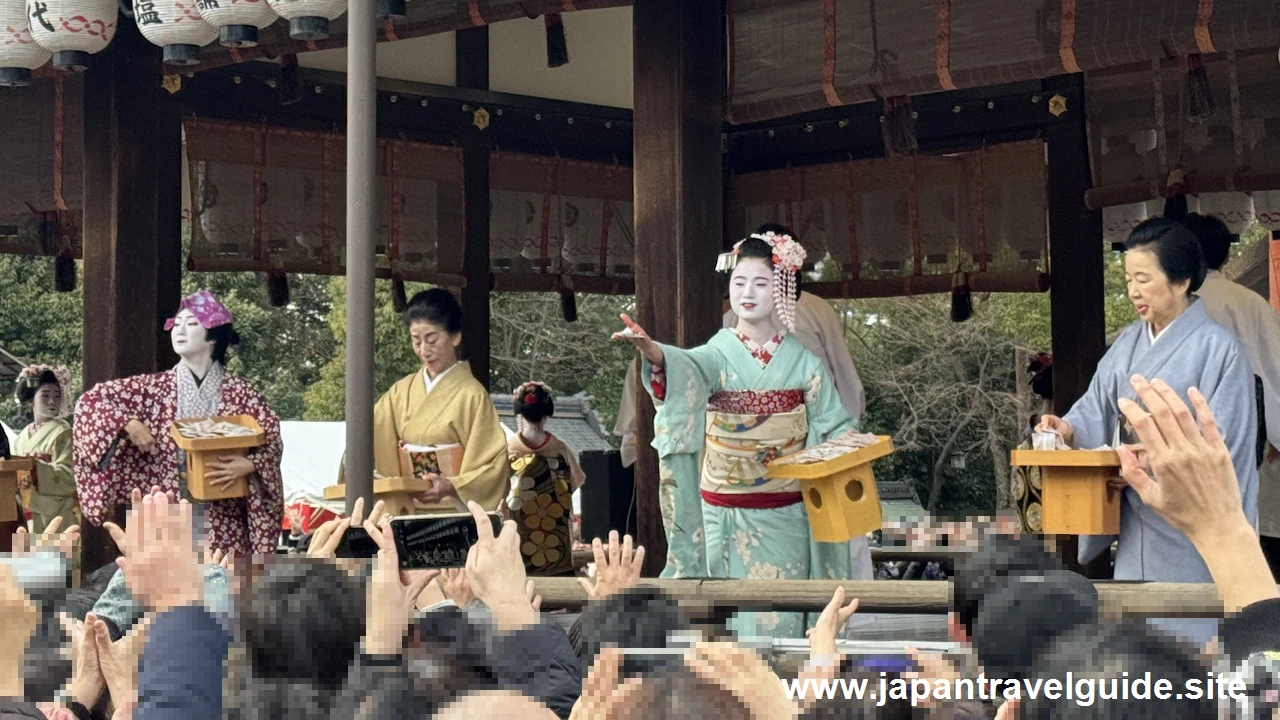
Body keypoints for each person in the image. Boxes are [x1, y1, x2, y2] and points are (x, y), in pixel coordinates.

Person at [612, 229, 855, 639]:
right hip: (720, 517)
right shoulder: (717, 353)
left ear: (781, 289)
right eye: (739, 282)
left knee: (781, 628)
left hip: (786, 516)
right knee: (721, 637)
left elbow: (834, 426)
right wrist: (655, 353)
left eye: (761, 283)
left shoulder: (804, 364)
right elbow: (686, 367)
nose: (747, 293)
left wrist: (850, 446)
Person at [1036, 218, 1257, 643]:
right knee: (1135, 650)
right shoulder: (1127, 344)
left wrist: (1148, 462)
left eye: (1143, 279)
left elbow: (1224, 447)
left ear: (1181, 281)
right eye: (1128, 279)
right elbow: (1094, 407)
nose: (1133, 291)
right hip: (1136, 522)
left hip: (1191, 527)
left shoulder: (1219, 350)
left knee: (1188, 648)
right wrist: (1066, 427)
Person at [73, 290, 284, 555]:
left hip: (223, 518)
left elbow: (271, 438)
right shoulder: (150, 389)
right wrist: (127, 422)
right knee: (165, 591)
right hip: (166, 514)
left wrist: (252, 464)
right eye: (177, 324)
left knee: (222, 591)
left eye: (192, 324)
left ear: (213, 336)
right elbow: (90, 403)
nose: (180, 330)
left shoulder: (241, 393)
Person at [1180, 212, 1280, 579]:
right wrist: (1275, 434)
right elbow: (1274, 370)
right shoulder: (1249, 303)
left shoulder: (1172, 305)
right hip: (1247, 438)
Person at [353, 289, 508, 512]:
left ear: (455, 337)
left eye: (432, 340)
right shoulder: (400, 391)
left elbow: (493, 463)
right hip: (406, 508)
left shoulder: (472, 394)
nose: (424, 351)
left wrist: (452, 485)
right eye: (416, 341)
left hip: (454, 511)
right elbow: (368, 433)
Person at [506, 382, 585, 576]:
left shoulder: (508, 448)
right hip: (553, 527)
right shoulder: (559, 448)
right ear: (547, 415)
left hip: (518, 526)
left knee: (520, 575)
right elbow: (577, 480)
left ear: (520, 414)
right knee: (555, 568)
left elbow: (497, 488)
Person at [13, 366, 75, 535]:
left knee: (56, 559)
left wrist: (35, 467)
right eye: (45, 395)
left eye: (56, 396)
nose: (52, 402)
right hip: (26, 513)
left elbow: (69, 477)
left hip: (56, 512)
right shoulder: (20, 438)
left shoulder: (63, 432)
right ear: (32, 399)